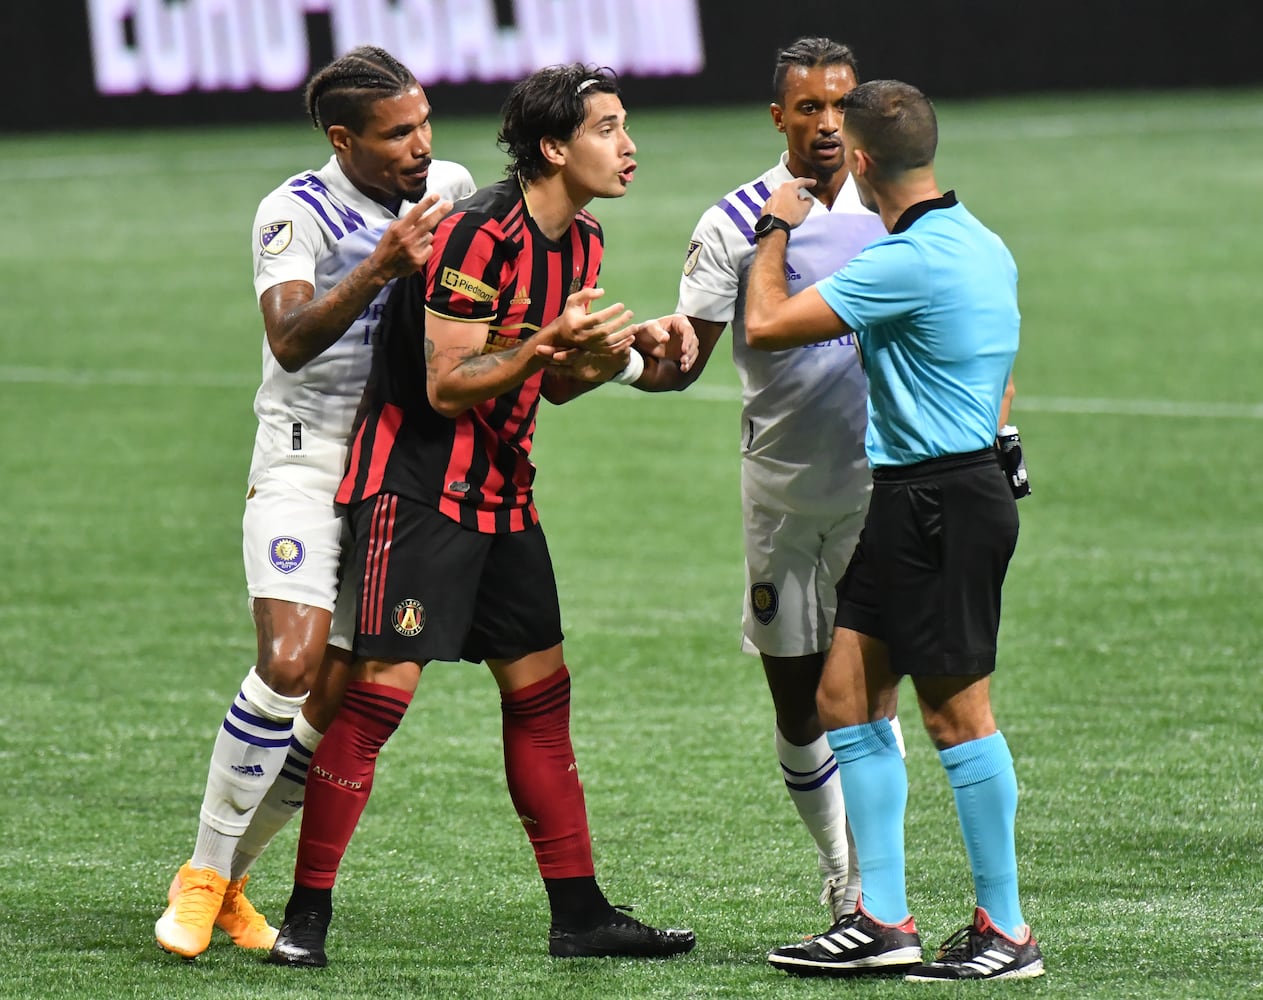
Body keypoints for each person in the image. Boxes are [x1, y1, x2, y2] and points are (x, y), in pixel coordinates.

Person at [266, 63, 699, 968]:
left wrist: (622, 349)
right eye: (607, 128)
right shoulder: (476, 236)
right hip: (418, 492)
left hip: (503, 494)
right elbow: (446, 385)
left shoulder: (581, 241)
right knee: (378, 703)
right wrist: (547, 343)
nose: (628, 146)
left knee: (541, 699)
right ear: (553, 147)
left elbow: (556, 385)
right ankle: (304, 918)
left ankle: (578, 915)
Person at [155, 45, 476, 960]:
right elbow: (290, 338)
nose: (420, 147)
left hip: (392, 473)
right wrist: (378, 268)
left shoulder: (446, 184)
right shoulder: (294, 210)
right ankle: (201, 875)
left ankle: (233, 882)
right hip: (301, 459)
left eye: (422, 124)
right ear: (344, 139)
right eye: (396, 133)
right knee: (290, 662)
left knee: (334, 698)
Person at [746, 80, 1044, 981]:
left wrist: (775, 226)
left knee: (958, 716)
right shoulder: (980, 242)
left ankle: (1007, 930)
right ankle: (882, 919)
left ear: (863, 161)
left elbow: (764, 325)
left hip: (939, 502)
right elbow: (1001, 373)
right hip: (924, 493)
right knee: (844, 697)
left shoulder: (900, 260)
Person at [670, 36, 907, 926]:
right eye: (808, 108)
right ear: (778, 117)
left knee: (871, 700)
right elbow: (683, 358)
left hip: (878, 486)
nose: (825, 124)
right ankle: (839, 861)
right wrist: (616, 357)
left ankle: (870, 892)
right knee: (798, 703)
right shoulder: (734, 219)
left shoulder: (897, 208)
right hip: (779, 493)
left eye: (840, 105)